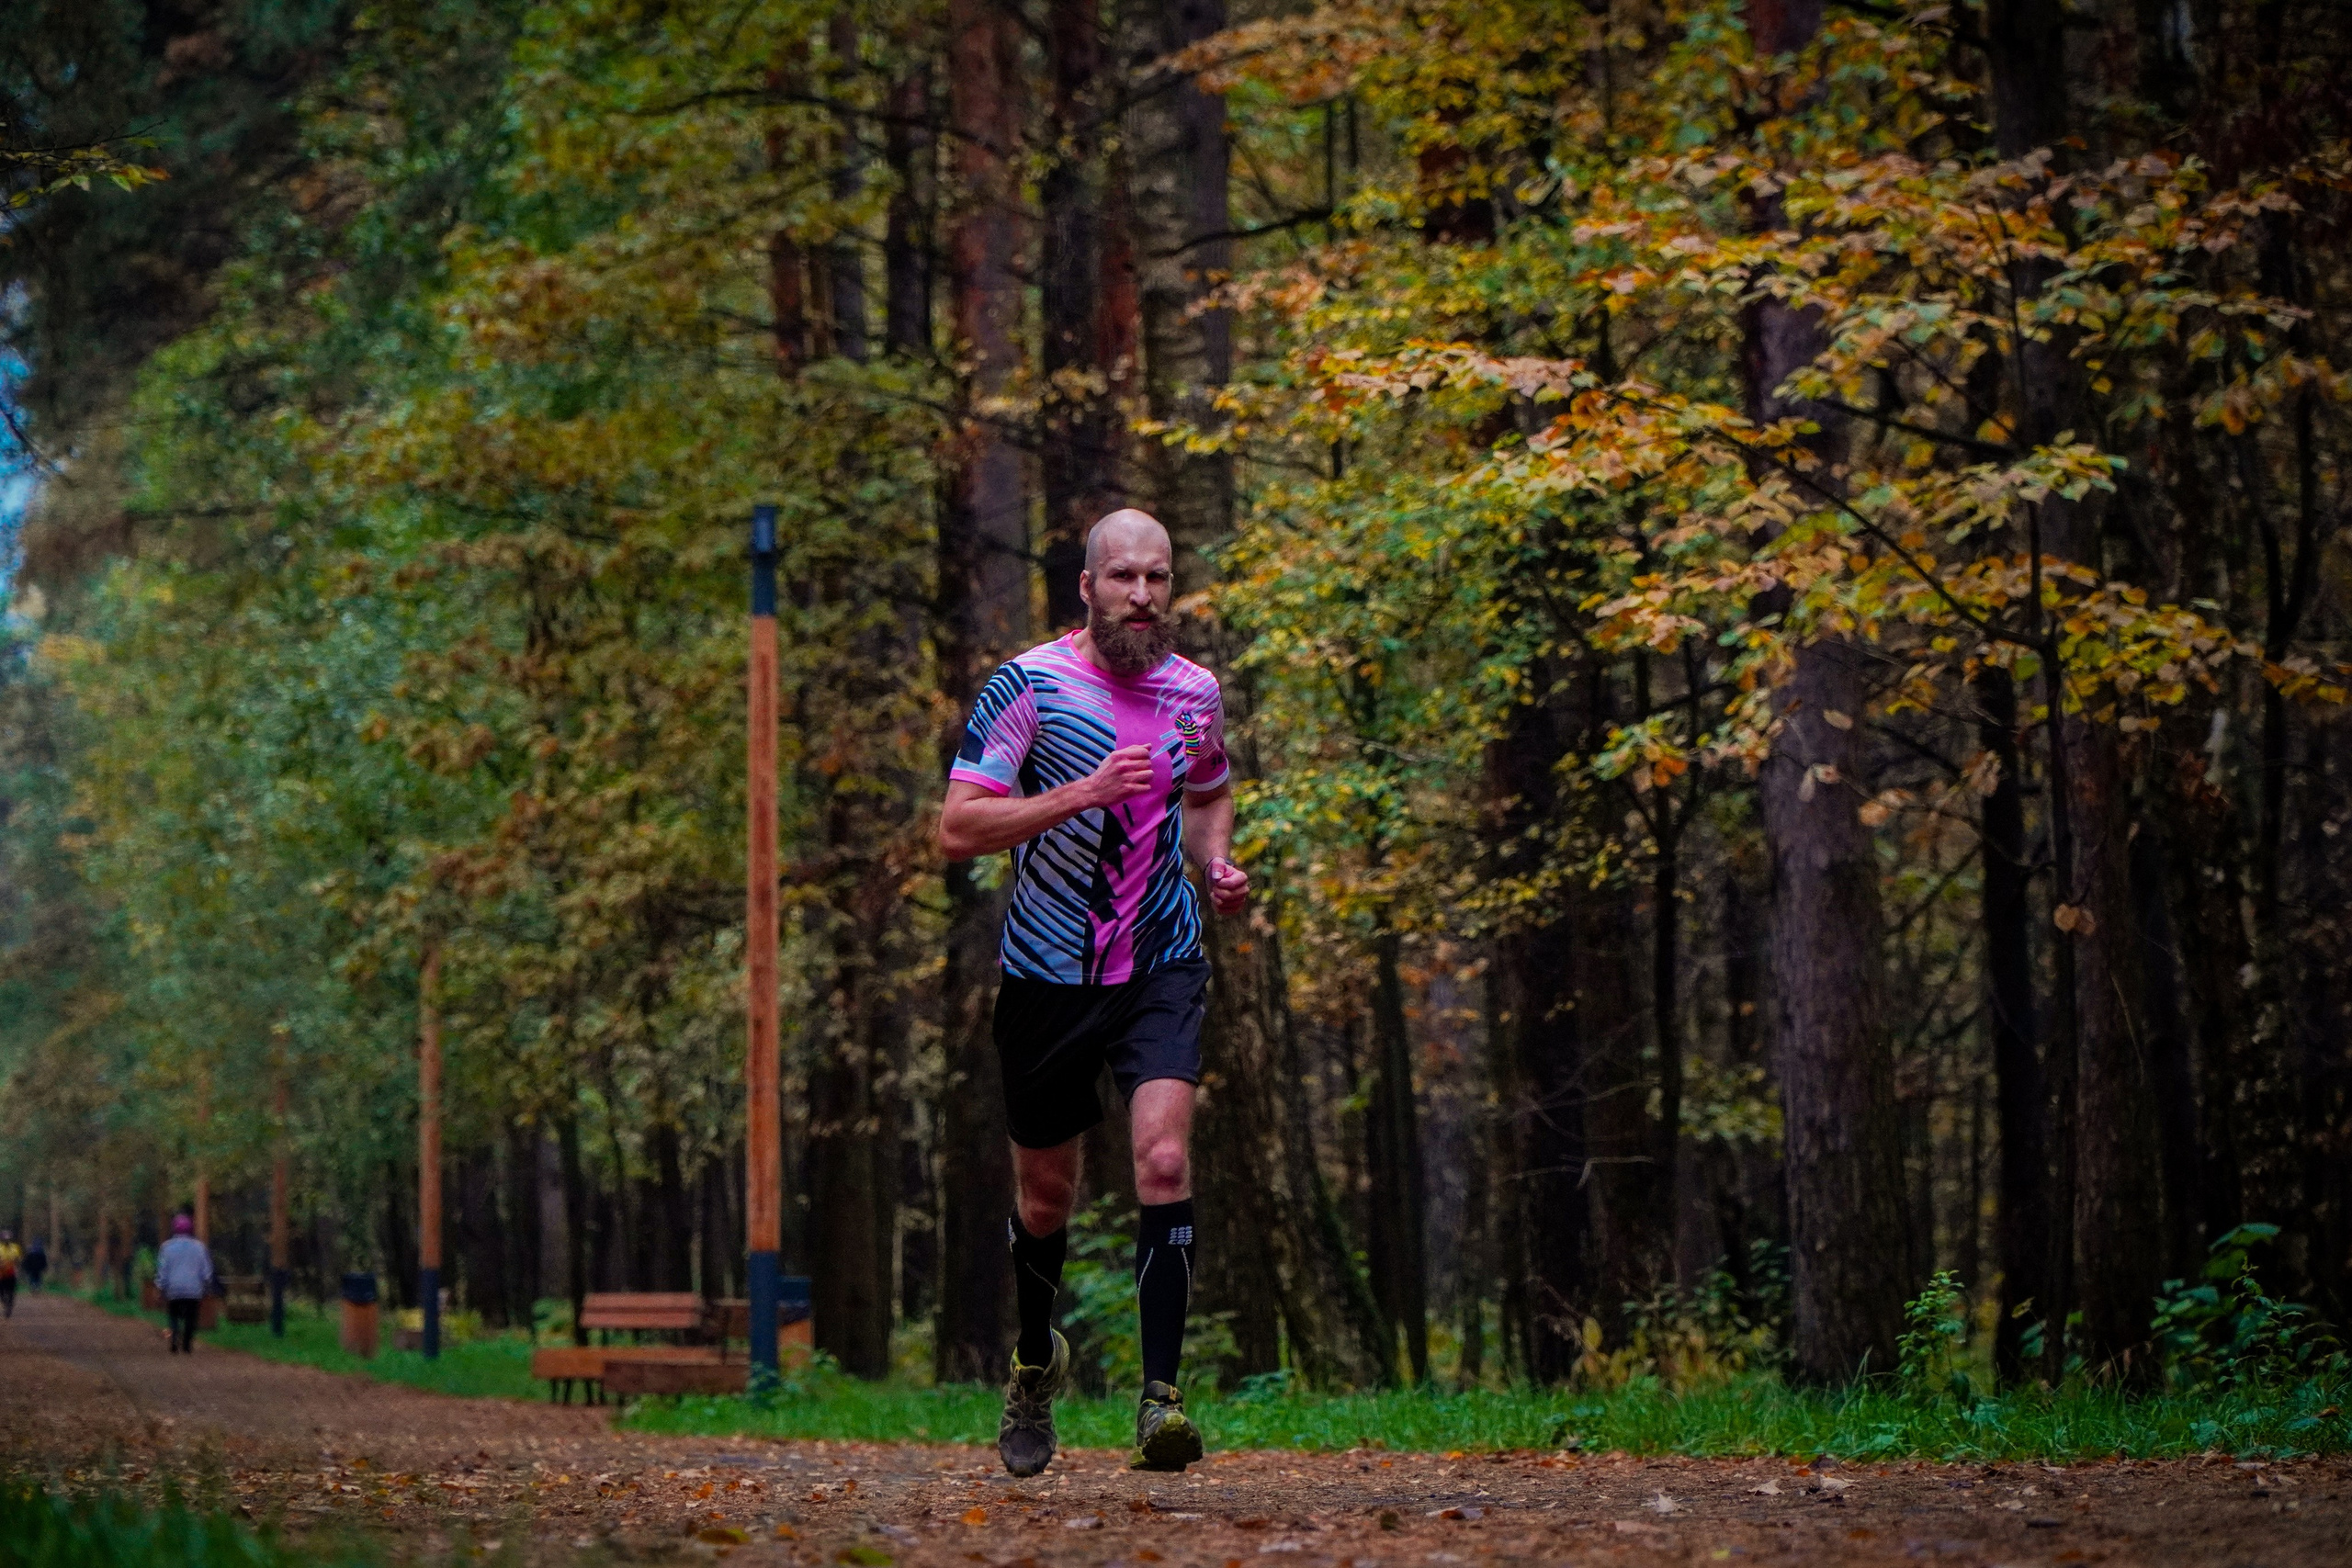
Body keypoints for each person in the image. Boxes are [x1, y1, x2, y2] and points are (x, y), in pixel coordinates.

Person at [938, 509, 1250, 1479]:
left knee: (1162, 1157)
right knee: (1046, 1197)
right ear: (1087, 586)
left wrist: (1218, 863)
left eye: (1157, 578)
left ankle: (1161, 1402)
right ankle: (1036, 1360)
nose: (1143, 597)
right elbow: (958, 828)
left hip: (1160, 954)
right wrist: (1080, 793)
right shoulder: (1028, 686)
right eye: (1123, 578)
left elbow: (1206, 794)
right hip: (1047, 971)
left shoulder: (1194, 693)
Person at [155, 1213, 216, 1353]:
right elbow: (206, 1270)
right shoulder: (200, 1247)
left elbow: (162, 1269)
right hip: (194, 1289)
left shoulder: (166, 1248)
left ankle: (175, 1335)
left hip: (173, 1289)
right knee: (191, 1316)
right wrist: (207, 1285)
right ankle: (187, 1343)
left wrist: (160, 1287)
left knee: (174, 1314)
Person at [0, 1231, 18, 1319]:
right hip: (1, 1273)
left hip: (11, 1272)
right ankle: (4, 1302)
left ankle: (9, 1306)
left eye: (8, 1239)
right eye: (4, 1239)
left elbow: (17, 1260)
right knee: (1, 1291)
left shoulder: (15, 1248)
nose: (6, 1241)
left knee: (11, 1291)